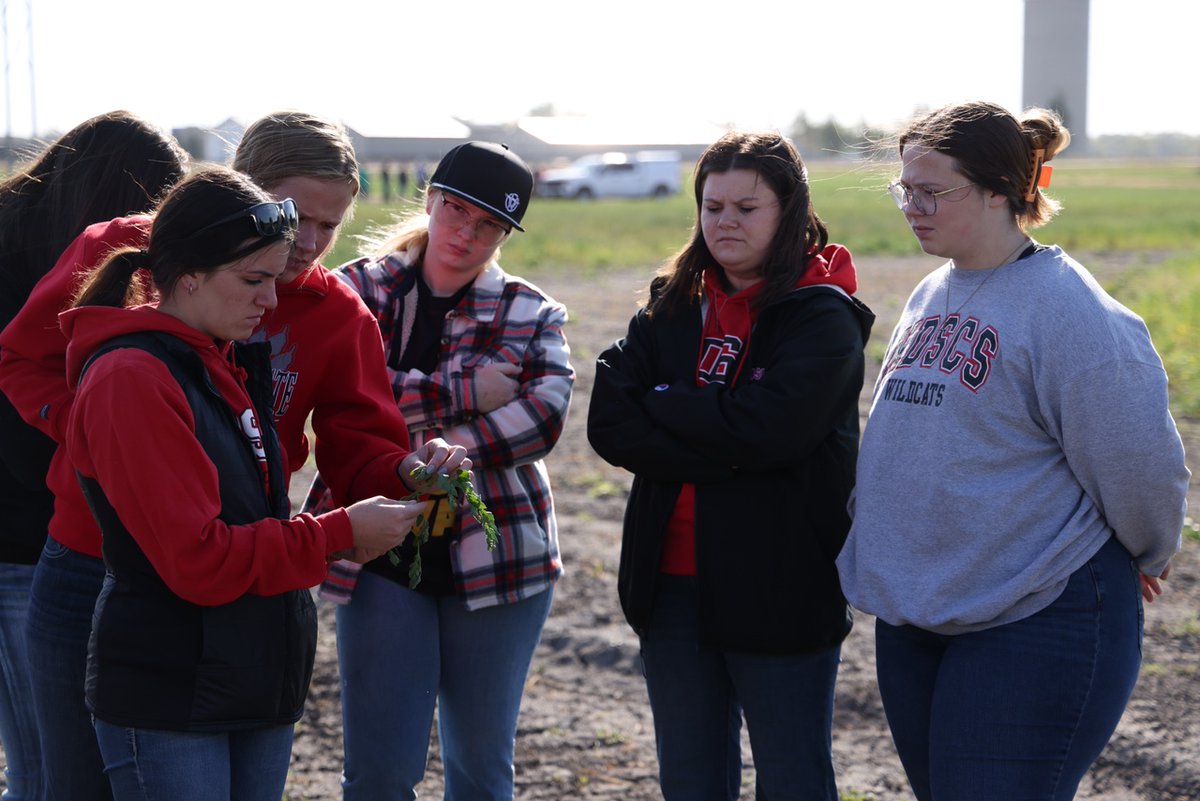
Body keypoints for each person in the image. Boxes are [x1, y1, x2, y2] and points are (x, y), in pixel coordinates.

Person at [0, 110, 466, 801]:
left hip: (236, 567)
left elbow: (362, 445)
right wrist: (109, 434)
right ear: (240, 186)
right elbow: (23, 358)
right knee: (65, 784)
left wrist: (405, 471)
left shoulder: (335, 313)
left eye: (330, 225)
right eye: (295, 215)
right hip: (93, 565)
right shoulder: (137, 249)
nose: (308, 243)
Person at [835, 101, 1190, 801]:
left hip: (1037, 612)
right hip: (922, 610)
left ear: (1001, 189)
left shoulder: (1070, 311)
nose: (913, 205)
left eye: (933, 190)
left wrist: (1145, 549)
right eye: (905, 188)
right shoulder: (932, 292)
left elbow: (1140, 463)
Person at [587, 131, 874, 800]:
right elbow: (609, 420)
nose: (725, 223)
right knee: (690, 780)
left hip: (780, 584)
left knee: (793, 779)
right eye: (712, 206)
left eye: (747, 207)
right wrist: (728, 439)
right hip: (671, 588)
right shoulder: (672, 304)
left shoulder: (822, 316)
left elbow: (773, 432)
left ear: (790, 210)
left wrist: (670, 401)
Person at [305, 140, 574, 801]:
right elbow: (340, 392)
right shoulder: (357, 287)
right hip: (378, 548)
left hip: (501, 553)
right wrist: (462, 393)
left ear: (505, 233)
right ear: (429, 199)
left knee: (481, 771)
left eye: (488, 224)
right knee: (379, 772)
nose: (467, 234)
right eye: (456, 210)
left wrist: (419, 440)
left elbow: (542, 417)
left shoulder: (531, 311)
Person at [0, 109, 187, 801]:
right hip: (23, 536)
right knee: (44, 766)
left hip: (45, 528)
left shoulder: (34, 238)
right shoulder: (39, 265)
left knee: (51, 762)